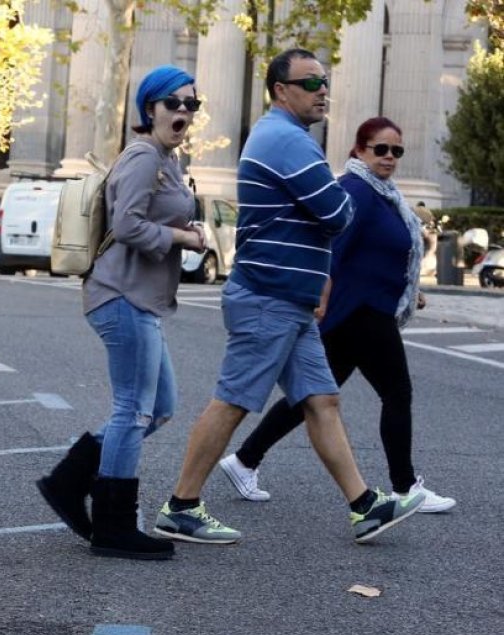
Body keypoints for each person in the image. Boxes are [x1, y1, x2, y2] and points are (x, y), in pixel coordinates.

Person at [151, 49, 424, 546]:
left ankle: (365, 505)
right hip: (268, 296)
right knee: (233, 401)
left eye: (325, 82)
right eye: (311, 83)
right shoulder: (286, 140)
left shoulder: (288, 137)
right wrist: (328, 213)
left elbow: (333, 211)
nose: (323, 91)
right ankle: (181, 506)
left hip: (290, 300)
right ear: (281, 90)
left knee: (322, 400)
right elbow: (338, 213)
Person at [218, 117, 455, 512]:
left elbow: (377, 255)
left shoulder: (381, 193)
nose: (390, 157)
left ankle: (244, 460)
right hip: (359, 311)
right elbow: (332, 249)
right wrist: (320, 295)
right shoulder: (357, 191)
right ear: (359, 150)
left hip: (360, 310)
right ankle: (405, 487)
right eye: (381, 149)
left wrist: (409, 290)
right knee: (396, 392)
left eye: (397, 151)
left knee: (311, 397)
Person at [36, 64, 208, 561]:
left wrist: (190, 230)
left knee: (159, 407)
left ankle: (69, 480)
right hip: (121, 295)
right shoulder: (142, 156)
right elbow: (129, 225)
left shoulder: (167, 159)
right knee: (133, 410)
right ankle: (113, 525)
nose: (182, 111)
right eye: (173, 103)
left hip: (141, 298)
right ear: (150, 108)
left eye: (191, 104)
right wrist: (181, 237)